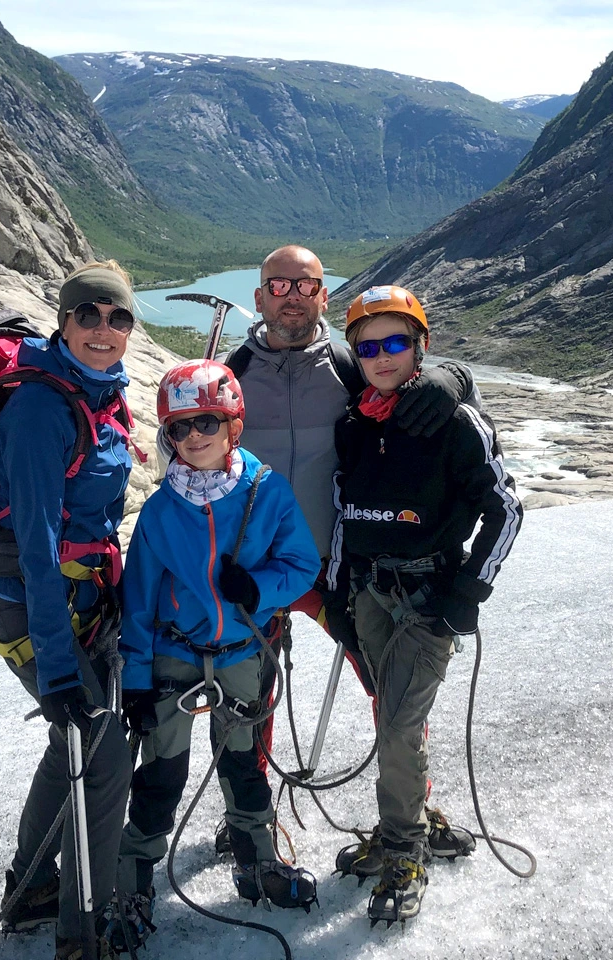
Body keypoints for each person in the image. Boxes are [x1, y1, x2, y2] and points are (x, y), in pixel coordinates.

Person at [219, 245, 482, 852]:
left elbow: (417, 376)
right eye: (278, 285)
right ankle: (247, 817)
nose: (292, 295)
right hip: (253, 570)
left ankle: (413, 811)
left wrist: (451, 377)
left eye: (306, 284)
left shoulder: (348, 363)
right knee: (247, 699)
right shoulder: (233, 369)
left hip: (336, 569)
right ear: (259, 298)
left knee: (389, 695)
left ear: (323, 296)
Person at [328, 285, 523, 925]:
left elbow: (506, 508)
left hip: (427, 596)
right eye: (367, 346)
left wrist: (465, 594)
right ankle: (416, 819)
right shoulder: (355, 421)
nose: (381, 357)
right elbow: (342, 510)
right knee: (394, 716)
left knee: (397, 725)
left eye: (395, 343)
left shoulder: (454, 421)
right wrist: (341, 583)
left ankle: (404, 849)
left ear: (420, 346)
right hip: (370, 592)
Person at [111, 359, 322, 947]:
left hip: (240, 653)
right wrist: (136, 677)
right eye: (180, 428)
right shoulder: (158, 512)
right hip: (176, 657)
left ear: (234, 424)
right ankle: (134, 878)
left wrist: (259, 589)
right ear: (167, 436)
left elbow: (301, 562)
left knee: (243, 764)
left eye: (207, 421)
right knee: (161, 772)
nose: (194, 436)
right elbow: (140, 600)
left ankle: (256, 860)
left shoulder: (266, 490)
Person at [0, 260, 145, 960]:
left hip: (84, 596)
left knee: (75, 745)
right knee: (103, 752)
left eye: (119, 318)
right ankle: (88, 927)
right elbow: (38, 547)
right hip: (36, 602)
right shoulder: (43, 408)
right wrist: (57, 671)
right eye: (89, 315)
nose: (104, 329)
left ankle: (31, 891)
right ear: (63, 320)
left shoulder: (101, 391)